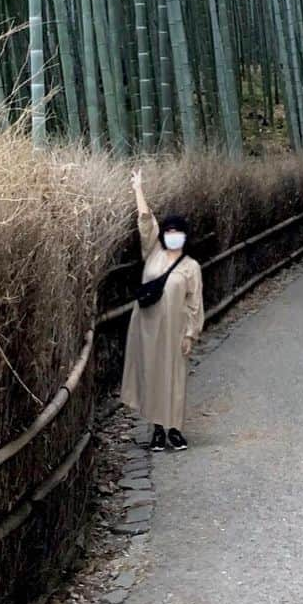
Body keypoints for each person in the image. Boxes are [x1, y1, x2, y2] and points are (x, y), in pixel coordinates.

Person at [120, 167, 205, 451]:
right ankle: (157, 429)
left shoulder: (191, 267)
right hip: (146, 327)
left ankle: (174, 429)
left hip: (174, 330)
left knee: (174, 378)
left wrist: (190, 334)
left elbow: (195, 303)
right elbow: (146, 221)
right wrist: (138, 189)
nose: (172, 236)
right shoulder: (153, 252)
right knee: (152, 376)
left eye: (177, 232)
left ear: (184, 236)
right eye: (168, 232)